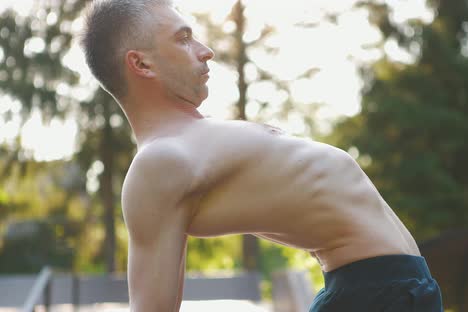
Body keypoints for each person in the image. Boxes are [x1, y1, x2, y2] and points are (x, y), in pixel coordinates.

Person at [80, 0, 444, 311]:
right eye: (184, 38)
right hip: (375, 294)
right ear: (142, 64)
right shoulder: (158, 164)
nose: (205, 50)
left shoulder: (189, 142)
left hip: (386, 290)